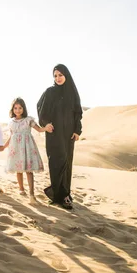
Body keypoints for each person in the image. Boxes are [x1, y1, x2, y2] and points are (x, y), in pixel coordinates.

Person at [36, 64, 83, 210]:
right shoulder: (50, 92)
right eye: (55, 76)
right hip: (54, 133)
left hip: (68, 134)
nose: (58, 78)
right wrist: (46, 124)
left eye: (60, 75)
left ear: (66, 76)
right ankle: (59, 195)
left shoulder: (72, 93)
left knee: (66, 163)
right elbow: (40, 108)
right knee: (56, 161)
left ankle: (65, 195)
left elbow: (78, 113)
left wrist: (77, 130)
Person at [1, 97, 52, 204]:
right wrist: (4, 146)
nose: (18, 110)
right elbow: (11, 136)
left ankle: (32, 194)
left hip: (27, 147)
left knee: (29, 170)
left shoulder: (28, 120)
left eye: (20, 108)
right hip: (16, 148)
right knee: (18, 169)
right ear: (12, 109)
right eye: (15, 108)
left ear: (24, 108)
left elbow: (39, 129)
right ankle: (21, 189)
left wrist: (46, 128)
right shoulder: (11, 122)